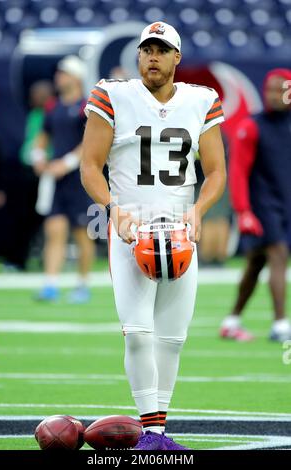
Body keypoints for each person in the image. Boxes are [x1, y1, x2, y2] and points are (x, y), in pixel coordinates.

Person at [81, 22, 226, 450]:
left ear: (177, 57)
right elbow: (90, 165)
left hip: (181, 228)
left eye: (162, 50)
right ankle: (151, 433)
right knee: (139, 331)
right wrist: (114, 209)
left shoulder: (201, 100)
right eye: (147, 49)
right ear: (138, 55)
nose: (153, 57)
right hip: (132, 230)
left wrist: (199, 211)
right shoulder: (113, 94)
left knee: (172, 338)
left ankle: (158, 432)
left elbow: (216, 171)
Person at [220, 68, 291, 342]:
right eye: (270, 90)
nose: (273, 95)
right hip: (261, 204)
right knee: (278, 253)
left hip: (284, 203)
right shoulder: (252, 126)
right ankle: (281, 324)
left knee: (255, 264)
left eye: (280, 89)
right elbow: (237, 171)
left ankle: (232, 320)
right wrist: (243, 211)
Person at [32, 55, 95, 303]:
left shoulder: (86, 108)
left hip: (81, 180)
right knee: (54, 231)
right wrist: (38, 156)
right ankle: (50, 284)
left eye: (64, 73)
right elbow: (43, 137)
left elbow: (89, 143)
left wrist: (66, 164)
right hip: (57, 181)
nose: (59, 77)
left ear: (76, 77)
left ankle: (82, 284)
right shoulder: (53, 107)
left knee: (82, 234)